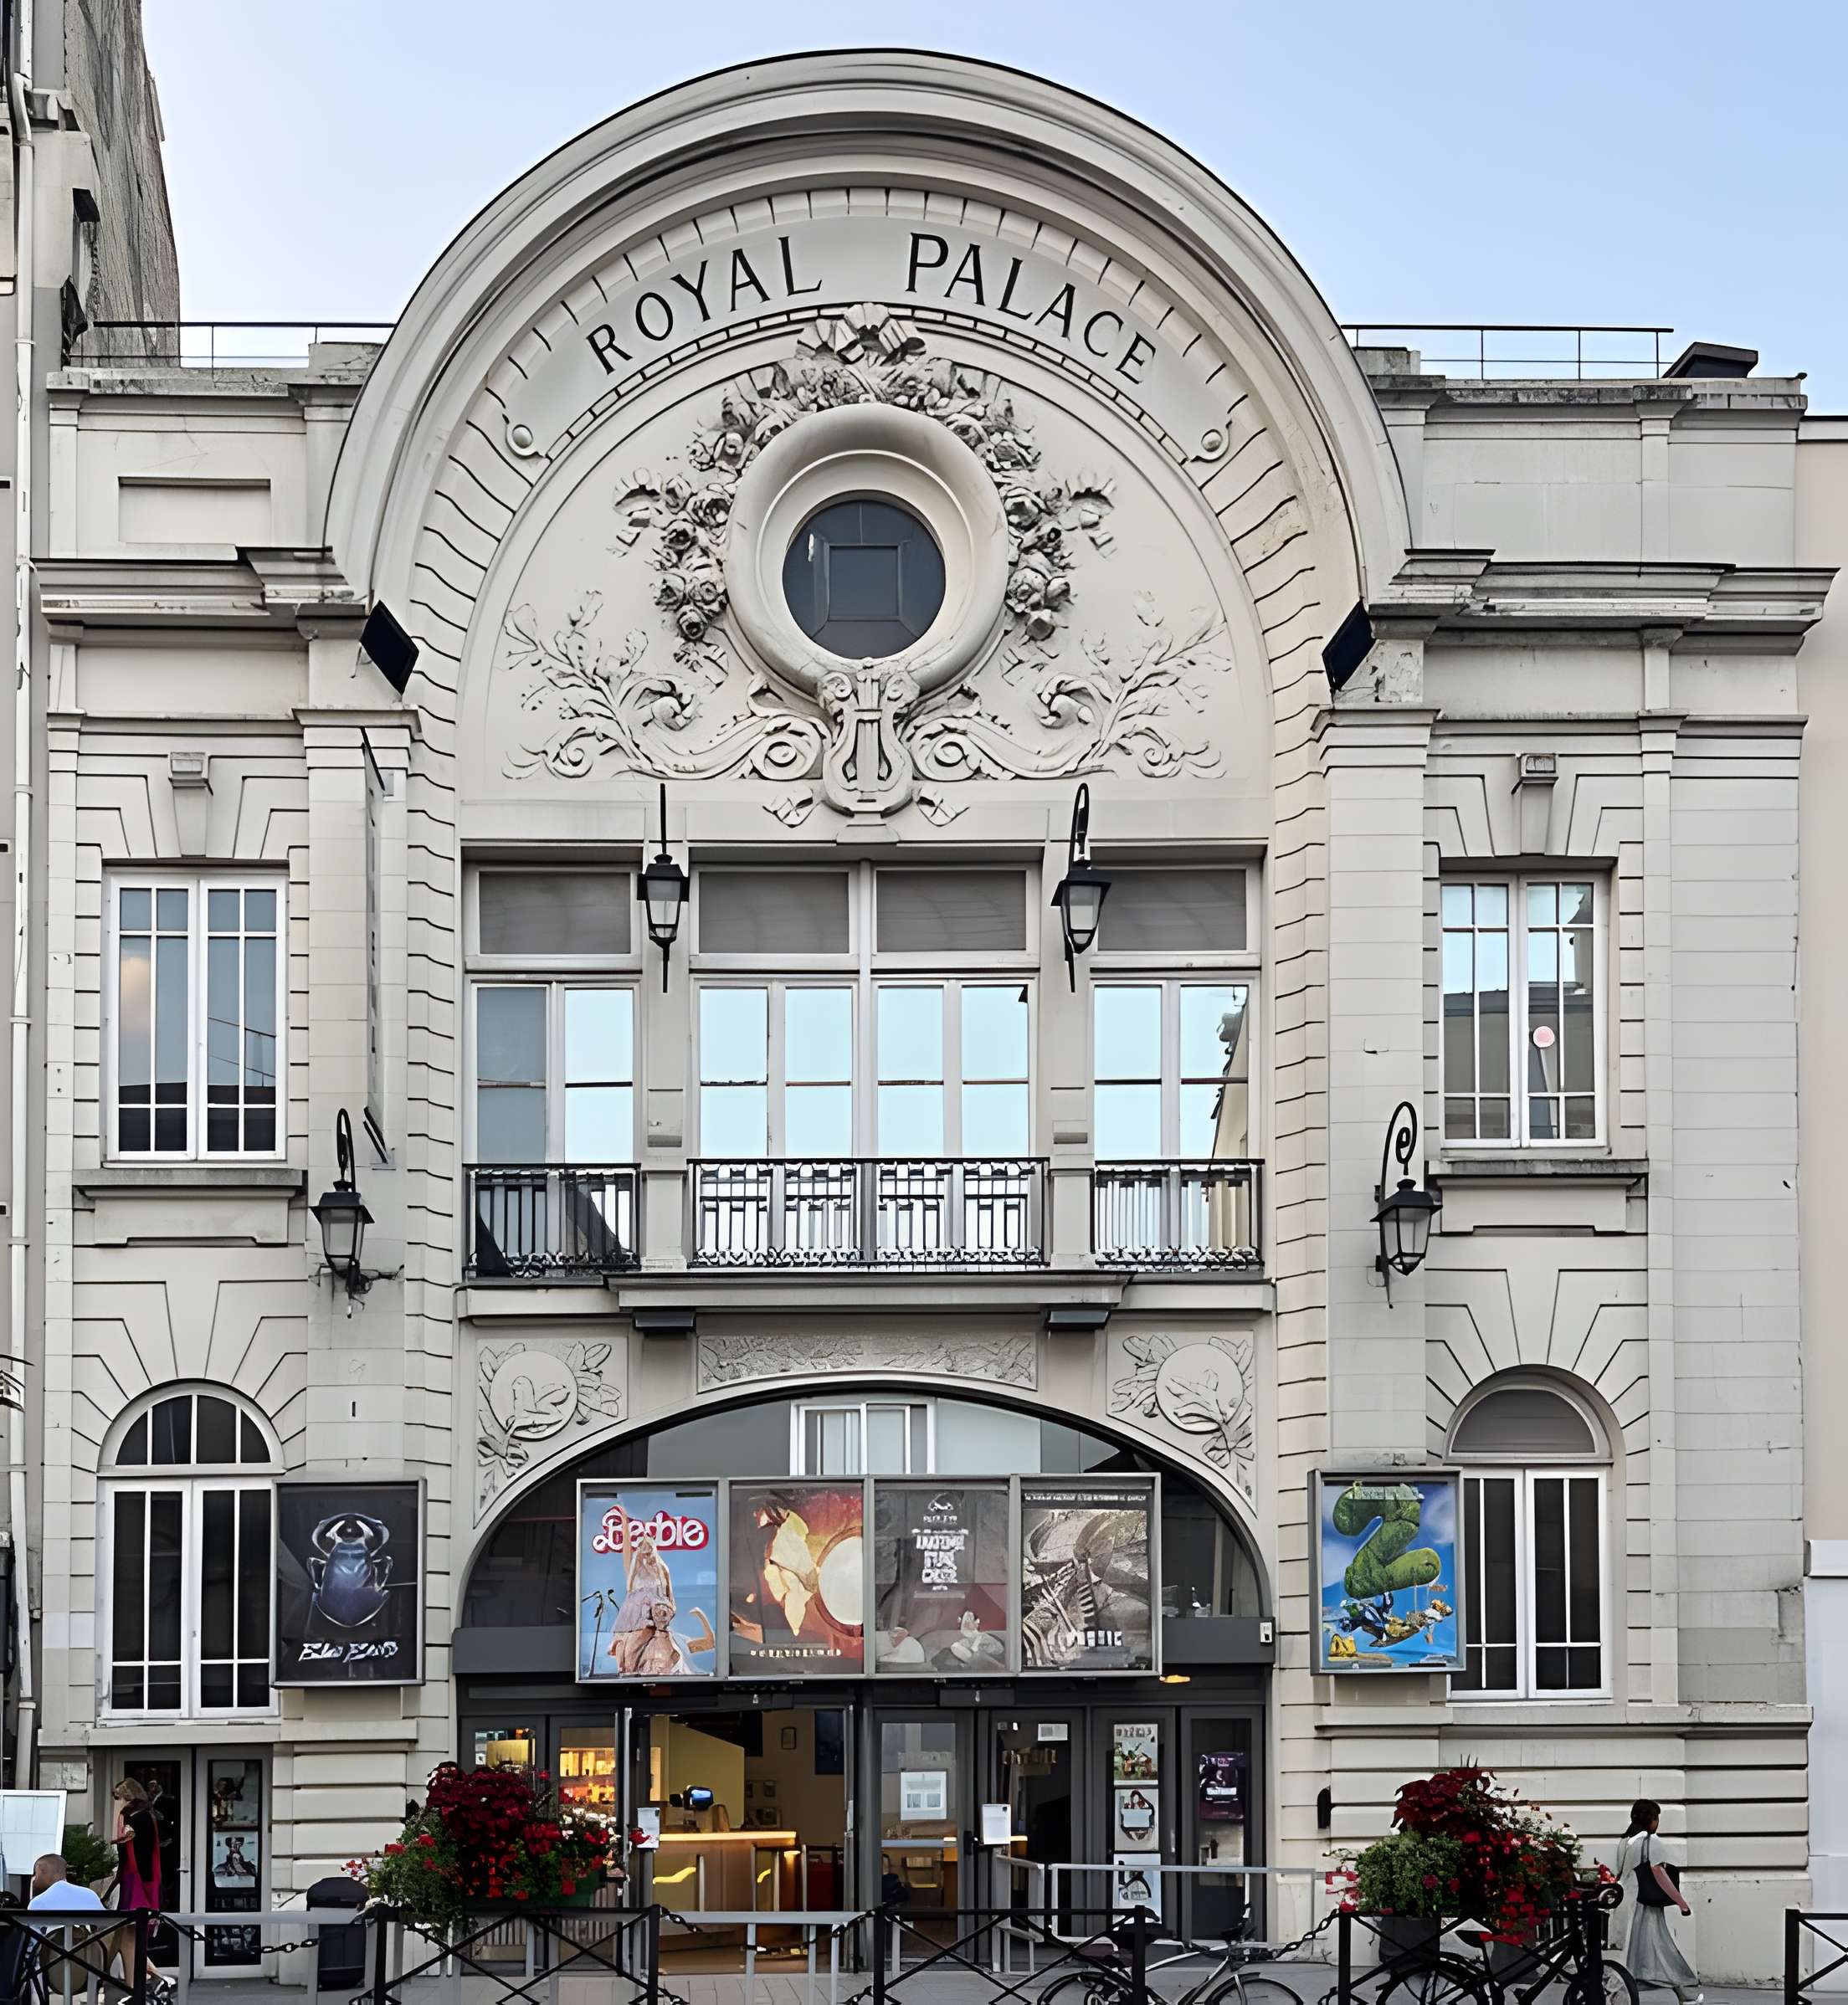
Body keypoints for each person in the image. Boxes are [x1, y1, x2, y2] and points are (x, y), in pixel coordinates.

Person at [1616, 1799, 1702, 2004]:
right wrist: (1681, 1901)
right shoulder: (1651, 1841)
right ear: (1653, 1820)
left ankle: (1681, 1993)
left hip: (1626, 1901)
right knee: (1661, 1947)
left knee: (1634, 1951)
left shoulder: (1625, 1841)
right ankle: (1684, 1994)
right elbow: (1659, 1873)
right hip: (1645, 1903)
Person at [28, 1856, 105, 1912]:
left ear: (42, 1871)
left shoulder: (37, 1903)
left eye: (36, 1874)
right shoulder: (90, 1895)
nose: (35, 1880)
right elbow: (105, 1926)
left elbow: (32, 1932)